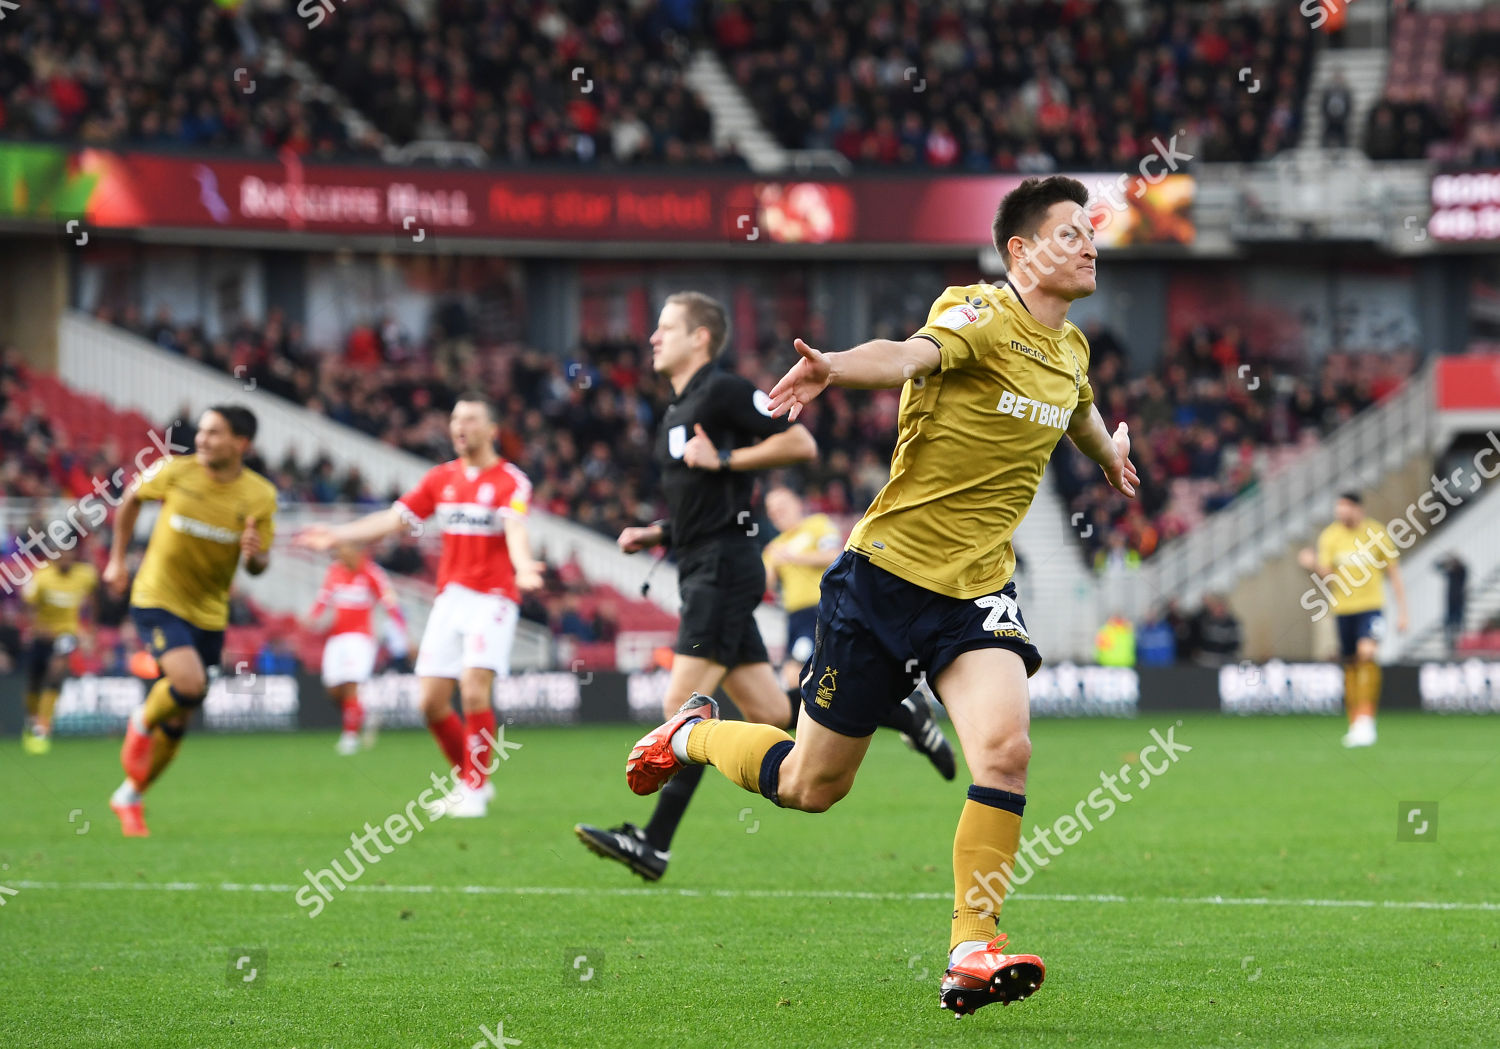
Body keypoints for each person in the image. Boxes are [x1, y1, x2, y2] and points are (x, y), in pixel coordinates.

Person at [623, 176, 1139, 1016]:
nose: (1090, 244)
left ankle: (972, 945)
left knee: (1005, 751)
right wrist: (835, 367)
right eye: (1071, 232)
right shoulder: (978, 313)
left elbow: (1075, 408)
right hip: (884, 580)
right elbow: (907, 354)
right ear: (1021, 250)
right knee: (810, 785)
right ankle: (694, 735)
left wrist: (1107, 454)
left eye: (1092, 233)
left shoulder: (1071, 351)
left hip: (974, 593)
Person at [575, 292, 954, 882]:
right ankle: (896, 710)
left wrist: (723, 458)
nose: (652, 337)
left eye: (666, 327)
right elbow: (707, 501)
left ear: (700, 337)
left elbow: (800, 443)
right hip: (702, 566)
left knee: (682, 715)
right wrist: (658, 533)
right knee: (774, 713)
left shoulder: (721, 391)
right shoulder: (675, 413)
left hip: (724, 573)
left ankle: (654, 844)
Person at [297, 394, 542, 818]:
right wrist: (339, 536)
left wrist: (523, 568)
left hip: (494, 598)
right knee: (429, 702)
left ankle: (477, 791)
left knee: (473, 687)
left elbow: (515, 527)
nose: (459, 426)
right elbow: (394, 519)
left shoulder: (510, 481)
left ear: (492, 431)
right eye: (454, 419)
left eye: (470, 419)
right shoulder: (439, 479)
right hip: (451, 599)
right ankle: (469, 780)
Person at [107, 406, 278, 837]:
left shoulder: (260, 496)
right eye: (201, 431)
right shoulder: (175, 471)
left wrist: (255, 554)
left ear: (241, 443)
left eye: (214, 433)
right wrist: (116, 561)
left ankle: (130, 794)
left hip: (209, 612)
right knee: (188, 684)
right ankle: (142, 721)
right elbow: (130, 500)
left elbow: (259, 567)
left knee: (182, 717)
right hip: (157, 597)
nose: (202, 440)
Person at [765, 485, 954, 778]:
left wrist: (794, 557)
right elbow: (763, 583)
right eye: (772, 510)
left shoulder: (816, 525)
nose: (778, 513)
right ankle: (905, 713)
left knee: (801, 681)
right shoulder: (774, 546)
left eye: (782, 505)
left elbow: (834, 554)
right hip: (794, 619)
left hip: (822, 610)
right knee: (815, 687)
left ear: (796, 502)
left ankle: (807, 754)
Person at [1298, 492, 1409, 748]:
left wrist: (1403, 612)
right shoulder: (1330, 536)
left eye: (1345, 507)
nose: (1340, 512)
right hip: (1343, 609)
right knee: (1350, 665)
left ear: (1358, 509)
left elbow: (1393, 573)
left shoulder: (1377, 533)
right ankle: (1354, 722)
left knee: (1366, 655)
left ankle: (1367, 721)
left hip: (1371, 606)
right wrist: (1312, 564)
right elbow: (1327, 577)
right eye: (1338, 508)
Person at [303, 542, 408, 755]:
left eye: (343, 549)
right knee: (333, 689)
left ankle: (350, 737)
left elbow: (390, 603)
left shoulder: (372, 573)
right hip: (337, 637)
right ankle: (361, 714)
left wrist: (402, 631)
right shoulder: (334, 571)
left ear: (358, 550)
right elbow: (323, 599)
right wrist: (312, 618)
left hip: (360, 639)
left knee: (351, 683)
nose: (339, 554)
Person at [20, 539, 98, 753]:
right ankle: (33, 719)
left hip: (67, 633)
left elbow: (93, 601)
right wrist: (35, 627)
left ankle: (43, 727)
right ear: (54, 556)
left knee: (55, 672)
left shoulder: (85, 575)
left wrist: (89, 630)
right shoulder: (41, 577)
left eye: (70, 554)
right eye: (62, 554)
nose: (66, 558)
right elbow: (28, 604)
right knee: (34, 682)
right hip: (42, 635)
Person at [1436, 552, 1468, 655]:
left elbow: (1462, 568)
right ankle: (1450, 646)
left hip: (1459, 602)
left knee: (1458, 625)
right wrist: (1445, 560)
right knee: (1448, 625)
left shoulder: (1461, 571)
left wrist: (1453, 561)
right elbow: (1436, 566)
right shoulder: (1450, 572)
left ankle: (1459, 645)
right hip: (1450, 603)